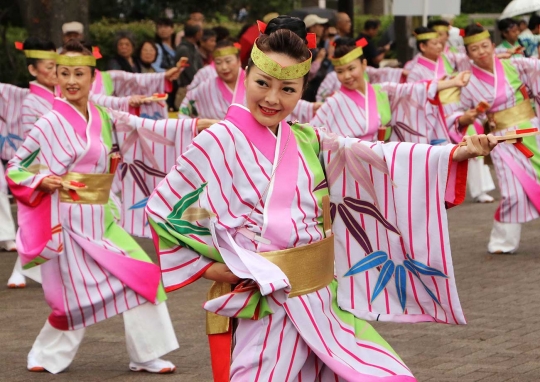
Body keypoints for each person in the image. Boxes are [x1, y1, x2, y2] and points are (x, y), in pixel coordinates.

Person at [146, 28, 497, 382]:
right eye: (262, 83)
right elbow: (169, 207)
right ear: (246, 77)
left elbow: (373, 155)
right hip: (269, 300)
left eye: (287, 89)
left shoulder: (307, 138)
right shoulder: (218, 139)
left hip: (322, 300)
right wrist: (217, 259)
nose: (272, 98)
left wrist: (456, 152)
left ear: (301, 91)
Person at [5, 39, 195, 375]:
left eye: (79, 73)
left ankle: (146, 353)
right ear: (57, 78)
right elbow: (19, 167)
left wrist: (195, 127)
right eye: (65, 73)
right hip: (67, 223)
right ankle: (47, 355)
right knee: (71, 298)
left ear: (93, 77)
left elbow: (146, 128)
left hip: (101, 219)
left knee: (143, 276)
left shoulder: (103, 115)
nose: (72, 80)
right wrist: (42, 180)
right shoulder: (49, 122)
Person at [449, 24, 540, 253]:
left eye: (484, 45)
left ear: (492, 45)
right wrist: (465, 117)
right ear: (467, 54)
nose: (481, 51)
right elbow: (455, 111)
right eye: (474, 49)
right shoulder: (466, 82)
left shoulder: (515, 65)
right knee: (512, 191)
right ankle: (503, 241)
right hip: (501, 139)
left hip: (531, 130)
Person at [311, 37, 466, 143]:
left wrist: (453, 82)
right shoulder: (334, 102)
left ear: (364, 65)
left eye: (351, 68)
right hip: (350, 167)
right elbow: (312, 132)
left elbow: (413, 90)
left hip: (380, 161)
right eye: (340, 72)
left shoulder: (381, 91)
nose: (346, 76)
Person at [406, 28, 495, 203]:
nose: (439, 46)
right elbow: (414, 95)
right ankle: (437, 192)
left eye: (440, 42)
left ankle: (480, 190)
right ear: (422, 46)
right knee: (440, 155)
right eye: (434, 43)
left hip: (458, 107)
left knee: (474, 142)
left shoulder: (448, 58)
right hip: (435, 115)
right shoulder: (415, 69)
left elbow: (469, 63)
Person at [175, 22, 204, 91]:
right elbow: (190, 71)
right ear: (197, 34)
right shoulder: (184, 50)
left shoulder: (193, 47)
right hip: (186, 88)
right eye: (201, 31)